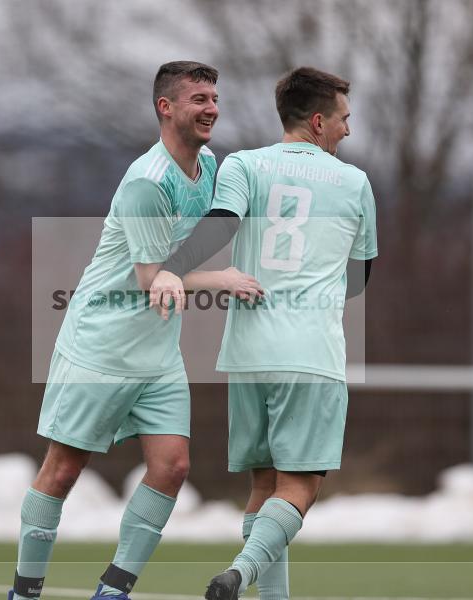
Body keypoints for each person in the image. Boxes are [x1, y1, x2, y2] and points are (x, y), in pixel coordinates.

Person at [8, 61, 263, 600]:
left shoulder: (208, 165)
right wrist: (224, 278)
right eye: (198, 98)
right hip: (101, 347)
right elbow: (154, 279)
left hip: (157, 352)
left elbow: (219, 223)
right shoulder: (148, 184)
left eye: (214, 97)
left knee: (172, 468)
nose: (212, 107)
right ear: (165, 108)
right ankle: (24, 591)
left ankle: (114, 590)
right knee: (62, 472)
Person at [150, 66, 377, 600]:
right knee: (299, 488)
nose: (348, 129)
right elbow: (360, 276)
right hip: (310, 352)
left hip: (249, 352)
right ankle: (241, 574)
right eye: (344, 119)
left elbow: (221, 224)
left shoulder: (244, 165)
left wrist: (170, 266)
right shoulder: (355, 181)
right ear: (318, 121)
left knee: (262, 486)